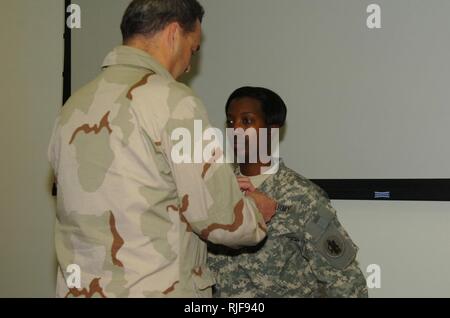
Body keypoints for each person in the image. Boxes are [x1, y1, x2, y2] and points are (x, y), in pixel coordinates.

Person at [47, 0, 276, 298]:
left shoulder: (72, 107)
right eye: (192, 49)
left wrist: (212, 185)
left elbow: (124, 191)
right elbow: (223, 222)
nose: (190, 64)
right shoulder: (174, 101)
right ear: (173, 33)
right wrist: (254, 209)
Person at [208, 87, 368, 298]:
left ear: (272, 128)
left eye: (246, 121)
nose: (235, 130)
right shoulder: (214, 188)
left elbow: (346, 282)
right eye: (230, 121)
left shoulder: (301, 196)